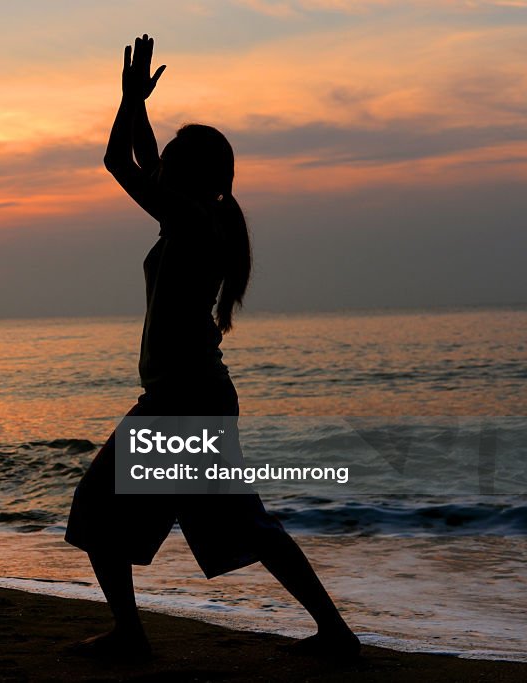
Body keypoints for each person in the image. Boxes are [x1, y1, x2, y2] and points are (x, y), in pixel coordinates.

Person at [64, 35, 360, 662]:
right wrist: (139, 103)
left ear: (190, 176)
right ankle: (333, 632)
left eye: (172, 161)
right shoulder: (198, 220)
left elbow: (121, 164)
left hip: (183, 402)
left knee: (100, 509)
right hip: (188, 397)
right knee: (240, 525)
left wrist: (124, 100)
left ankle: (132, 636)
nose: (160, 167)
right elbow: (143, 161)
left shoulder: (196, 225)